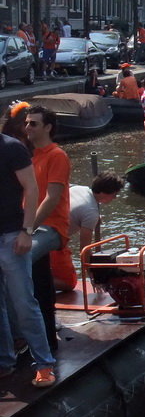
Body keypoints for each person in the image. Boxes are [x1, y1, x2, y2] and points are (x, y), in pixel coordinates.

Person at [0, 115, 56, 387]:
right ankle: (4, 362)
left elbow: (31, 189)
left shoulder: (11, 147)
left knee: (24, 303)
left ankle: (44, 363)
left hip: (11, 234)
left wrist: (27, 231)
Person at [24, 105, 69, 354]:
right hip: (29, 226)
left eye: (33, 123)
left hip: (50, 227)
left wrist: (28, 228)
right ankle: (42, 333)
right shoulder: (30, 156)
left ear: (48, 127)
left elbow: (52, 198)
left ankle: (28, 331)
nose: (27, 127)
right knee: (40, 280)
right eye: (27, 123)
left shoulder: (57, 155)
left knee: (19, 257)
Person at [67, 171, 124, 267]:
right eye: (114, 194)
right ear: (103, 193)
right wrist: (91, 275)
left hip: (43, 226)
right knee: (68, 281)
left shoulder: (79, 189)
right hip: (53, 240)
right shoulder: (91, 212)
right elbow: (84, 249)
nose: (115, 198)